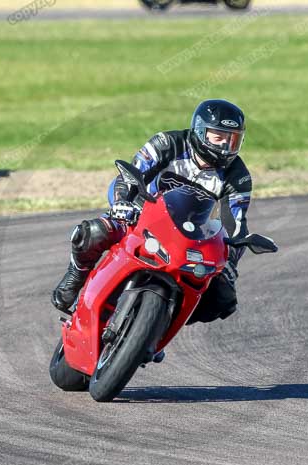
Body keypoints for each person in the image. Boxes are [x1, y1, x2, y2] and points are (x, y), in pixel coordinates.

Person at [51, 99, 253, 330]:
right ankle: (76, 274)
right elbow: (132, 174)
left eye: (233, 139)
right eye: (219, 137)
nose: (226, 146)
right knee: (94, 233)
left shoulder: (238, 175)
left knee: (223, 298)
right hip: (142, 213)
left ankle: (158, 326)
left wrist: (230, 264)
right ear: (199, 131)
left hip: (188, 236)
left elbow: (236, 225)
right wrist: (122, 204)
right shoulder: (168, 143)